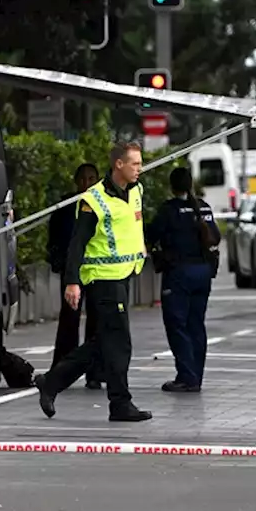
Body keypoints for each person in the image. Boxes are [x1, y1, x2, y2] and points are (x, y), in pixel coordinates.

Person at [35, 141, 152, 422]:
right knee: (119, 342)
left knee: (105, 342)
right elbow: (77, 244)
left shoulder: (136, 190)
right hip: (102, 279)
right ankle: (120, 404)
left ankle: (51, 382)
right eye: (134, 163)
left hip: (124, 275)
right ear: (118, 165)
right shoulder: (94, 199)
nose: (140, 168)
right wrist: (72, 281)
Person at [146, 166, 220, 392]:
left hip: (179, 274)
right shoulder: (204, 208)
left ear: (171, 186)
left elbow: (149, 235)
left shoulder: (169, 210)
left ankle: (187, 377)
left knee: (177, 325)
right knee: (196, 324)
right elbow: (215, 236)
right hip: (203, 273)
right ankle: (195, 375)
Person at [48, 162, 102, 388]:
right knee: (69, 320)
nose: (86, 184)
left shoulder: (102, 204)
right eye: (82, 179)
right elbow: (55, 238)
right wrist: (60, 262)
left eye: (91, 179)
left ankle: (95, 373)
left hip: (97, 269)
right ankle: (63, 370)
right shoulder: (66, 206)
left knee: (97, 320)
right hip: (73, 270)